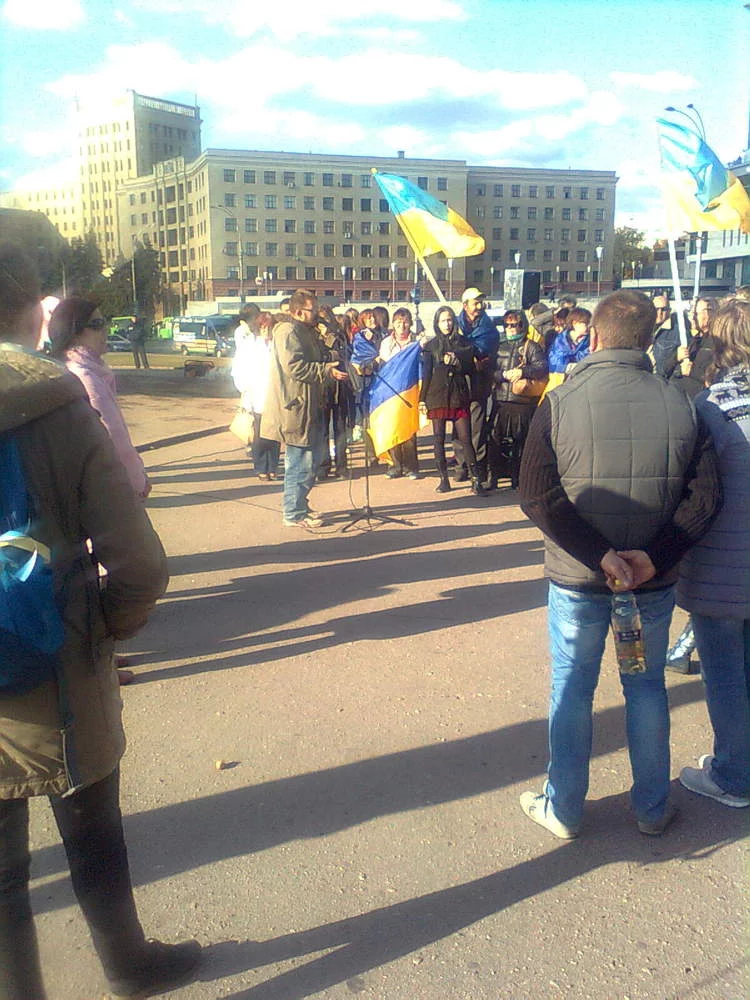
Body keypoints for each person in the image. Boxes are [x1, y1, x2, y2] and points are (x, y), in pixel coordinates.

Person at [0, 244, 202, 999]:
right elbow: (139, 565)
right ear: (33, 313)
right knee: (91, 833)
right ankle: (128, 967)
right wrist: (108, 627)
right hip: (60, 662)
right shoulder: (56, 406)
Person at [518, 289, 721, 840]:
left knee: (572, 688)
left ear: (594, 336)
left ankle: (564, 807)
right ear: (650, 339)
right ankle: (652, 808)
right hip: (646, 584)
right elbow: (705, 499)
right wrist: (654, 558)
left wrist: (600, 555)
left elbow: (535, 494)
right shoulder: (683, 402)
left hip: (581, 579)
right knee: (645, 687)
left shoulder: (560, 401)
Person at [676, 297, 750, 808]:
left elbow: (694, 491)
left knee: (724, 675)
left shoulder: (710, 407)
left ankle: (733, 775)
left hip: (721, 566)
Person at [261, 290, 348, 528]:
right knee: (299, 463)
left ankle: (300, 504)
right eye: (313, 310)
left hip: (311, 405)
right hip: (296, 407)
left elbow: (317, 355)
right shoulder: (288, 332)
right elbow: (295, 367)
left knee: (310, 462)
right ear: (299, 312)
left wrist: (331, 348)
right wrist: (326, 371)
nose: (317, 314)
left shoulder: (305, 330)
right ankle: (293, 513)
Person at [419, 306, 479, 493]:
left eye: (449, 320)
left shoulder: (464, 343)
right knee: (438, 438)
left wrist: (458, 362)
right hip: (437, 396)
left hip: (458, 395)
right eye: (443, 321)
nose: (447, 324)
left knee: (465, 438)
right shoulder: (431, 346)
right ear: (437, 323)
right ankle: (444, 479)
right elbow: (427, 375)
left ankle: (476, 480)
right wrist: (422, 399)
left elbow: (471, 369)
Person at [486, 309, 548, 491]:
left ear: (522, 325)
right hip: (501, 400)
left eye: (514, 324)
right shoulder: (499, 346)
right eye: (507, 325)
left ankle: (517, 478)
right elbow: (490, 372)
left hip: (522, 402)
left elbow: (542, 368)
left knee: (520, 442)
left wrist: (522, 372)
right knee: (494, 441)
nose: (510, 328)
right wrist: (503, 375)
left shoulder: (532, 346)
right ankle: (493, 477)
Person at [454, 288, 500, 484]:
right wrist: (468, 353)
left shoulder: (488, 328)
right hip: (458, 384)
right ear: (465, 305)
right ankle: (461, 465)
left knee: (477, 428)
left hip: (478, 383)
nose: (479, 307)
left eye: (481, 303)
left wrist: (471, 354)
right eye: (475, 303)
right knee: (458, 427)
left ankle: (477, 467)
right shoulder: (455, 325)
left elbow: (488, 350)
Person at [231, 310, 280, 479]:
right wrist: (245, 389)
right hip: (256, 394)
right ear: (258, 327)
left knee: (274, 433)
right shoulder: (248, 345)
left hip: (275, 394)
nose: (266, 331)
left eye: (269, 328)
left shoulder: (277, 344)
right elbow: (238, 369)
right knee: (259, 433)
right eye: (263, 327)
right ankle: (261, 467)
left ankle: (273, 466)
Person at [378, 307, 420, 479]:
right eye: (398, 323)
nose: (402, 326)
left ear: (410, 324)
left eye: (405, 322)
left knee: (409, 430)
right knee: (393, 428)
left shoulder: (416, 342)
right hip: (391, 391)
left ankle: (411, 467)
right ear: (393, 324)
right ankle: (395, 466)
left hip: (410, 390)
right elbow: (386, 367)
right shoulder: (386, 343)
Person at [665, 296, 716, 398]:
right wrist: (676, 358)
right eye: (691, 313)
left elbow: (716, 378)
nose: (692, 318)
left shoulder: (717, 343)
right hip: (677, 397)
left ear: (709, 314)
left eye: (696, 314)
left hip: (698, 400)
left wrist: (692, 371)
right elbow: (665, 370)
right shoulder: (692, 340)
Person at [547, 306, 592, 375]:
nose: (589, 326)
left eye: (590, 323)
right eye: (586, 323)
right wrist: (566, 367)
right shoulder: (560, 341)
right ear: (574, 323)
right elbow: (553, 362)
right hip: (561, 377)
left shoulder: (590, 341)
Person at [649, 294, 680, 377]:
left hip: (663, 379)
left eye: (663, 309)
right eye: (656, 309)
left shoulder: (679, 332)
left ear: (669, 311)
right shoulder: (642, 328)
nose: (659, 312)